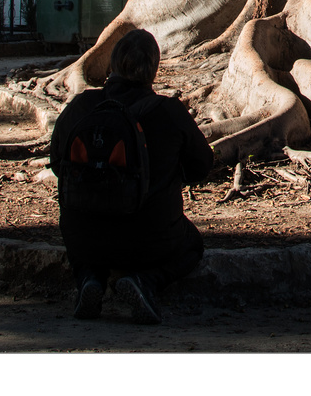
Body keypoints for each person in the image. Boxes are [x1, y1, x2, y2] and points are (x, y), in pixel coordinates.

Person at [48, 28, 213, 322]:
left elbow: (57, 163)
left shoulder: (80, 107)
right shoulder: (169, 112)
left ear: (112, 65)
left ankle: (89, 278)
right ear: (154, 69)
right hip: (151, 240)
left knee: (82, 232)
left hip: (83, 236)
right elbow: (202, 165)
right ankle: (145, 282)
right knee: (192, 244)